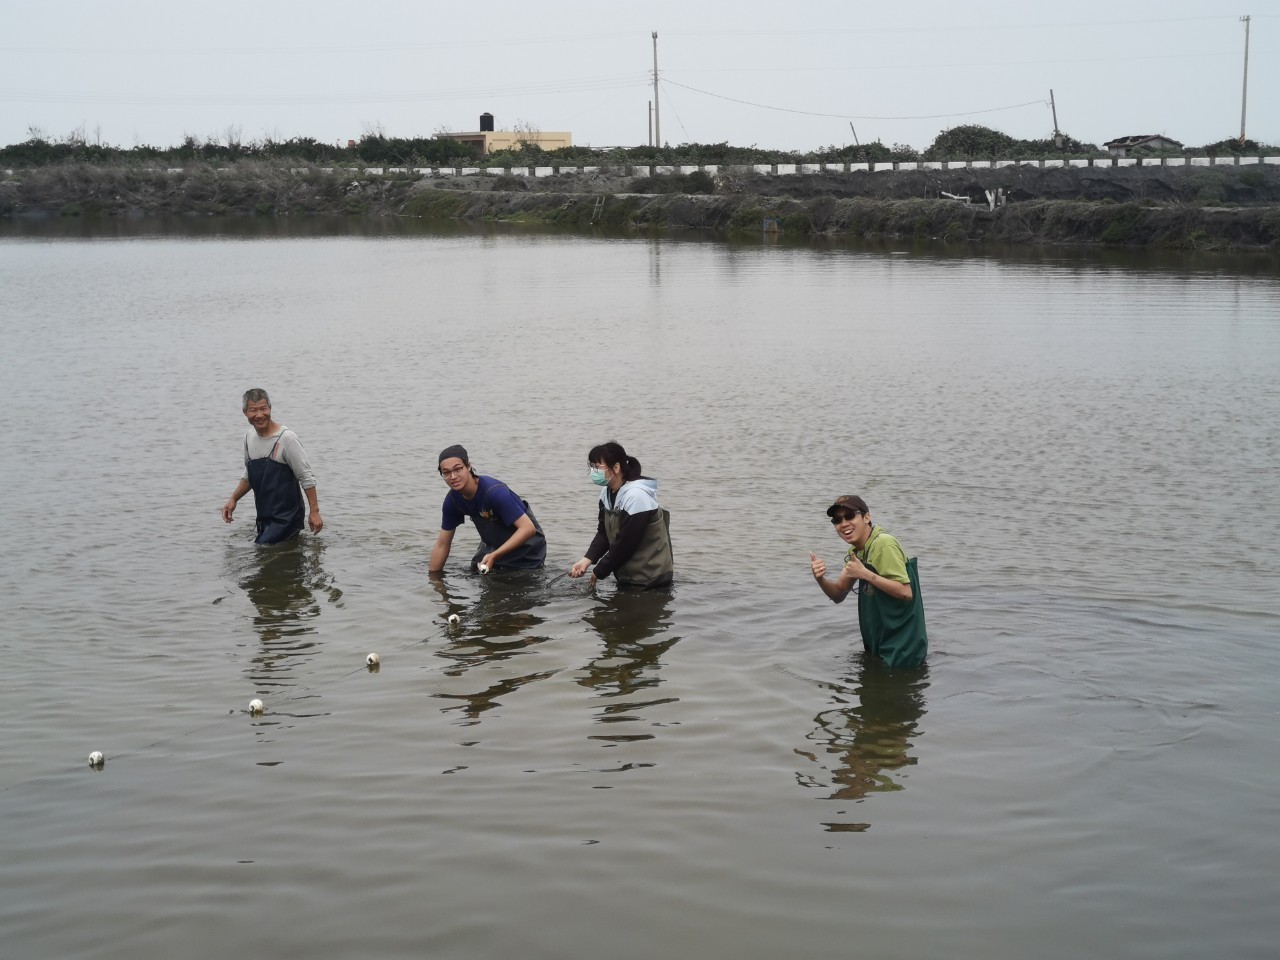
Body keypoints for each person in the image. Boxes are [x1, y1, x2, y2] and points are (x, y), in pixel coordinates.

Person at [809, 495, 926, 668]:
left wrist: (864, 574)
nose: (844, 523)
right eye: (837, 520)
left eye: (849, 516)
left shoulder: (884, 544)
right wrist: (820, 579)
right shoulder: (857, 550)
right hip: (881, 642)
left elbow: (906, 592)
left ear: (866, 517)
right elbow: (838, 593)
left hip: (902, 646)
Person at [222, 388, 323, 545]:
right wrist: (233, 499)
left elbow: (306, 476)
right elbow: (250, 475)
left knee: (263, 552)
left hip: (288, 517)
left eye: (264, 408)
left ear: (270, 408)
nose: (260, 415)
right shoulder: (248, 438)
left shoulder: (287, 439)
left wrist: (314, 512)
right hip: (264, 517)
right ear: (245, 412)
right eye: (253, 410)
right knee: (263, 553)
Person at [569, 441, 673, 588]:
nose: (593, 471)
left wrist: (600, 571)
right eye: (591, 466)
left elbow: (626, 543)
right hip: (629, 576)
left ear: (616, 467)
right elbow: (603, 533)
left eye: (597, 467)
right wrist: (587, 560)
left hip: (651, 578)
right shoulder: (606, 493)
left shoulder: (637, 496)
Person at [429, 445, 546, 574]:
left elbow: (528, 528)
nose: (453, 476)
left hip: (527, 551)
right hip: (492, 548)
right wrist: (434, 581)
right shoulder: (452, 501)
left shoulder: (494, 492)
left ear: (468, 466)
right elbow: (442, 544)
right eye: (446, 473)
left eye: (458, 469)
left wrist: (494, 555)